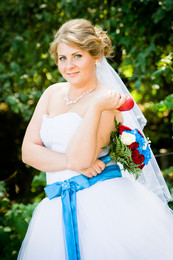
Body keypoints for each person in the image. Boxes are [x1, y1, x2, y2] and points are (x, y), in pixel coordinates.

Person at [17, 19, 173, 260]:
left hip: (101, 206)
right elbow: (28, 152)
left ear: (96, 57)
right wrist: (71, 163)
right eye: (62, 58)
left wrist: (96, 107)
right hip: (56, 205)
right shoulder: (51, 93)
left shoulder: (108, 100)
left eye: (77, 56)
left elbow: (82, 158)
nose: (69, 65)